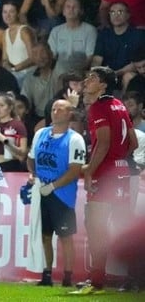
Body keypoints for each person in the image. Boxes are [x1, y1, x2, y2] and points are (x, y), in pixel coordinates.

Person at [71, 66, 138, 295]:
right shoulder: (119, 105)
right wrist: (118, 159)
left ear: (104, 85)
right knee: (122, 228)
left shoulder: (99, 106)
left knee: (96, 226)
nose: (87, 80)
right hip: (122, 172)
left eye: (93, 78)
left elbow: (104, 142)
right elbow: (133, 143)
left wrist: (90, 170)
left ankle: (96, 282)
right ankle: (133, 280)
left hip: (105, 173)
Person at [27, 99, 86, 288]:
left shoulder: (75, 139)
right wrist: (34, 175)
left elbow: (74, 170)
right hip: (42, 190)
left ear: (69, 114)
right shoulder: (40, 134)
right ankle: (47, 274)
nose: (55, 112)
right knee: (45, 234)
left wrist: (52, 186)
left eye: (60, 109)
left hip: (63, 194)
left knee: (65, 236)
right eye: (53, 108)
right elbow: (31, 159)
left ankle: (68, 276)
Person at [92, 1, 144, 78]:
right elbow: (97, 59)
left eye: (120, 12)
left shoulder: (138, 34)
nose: (116, 15)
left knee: (129, 76)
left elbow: (136, 63)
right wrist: (94, 73)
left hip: (127, 74)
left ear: (128, 15)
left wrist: (116, 73)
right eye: (112, 12)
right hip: (106, 74)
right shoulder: (104, 34)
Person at [48, 0, 97, 75]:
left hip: (81, 73)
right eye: (68, 7)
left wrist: (78, 72)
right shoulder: (56, 31)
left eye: (75, 7)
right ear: (63, 11)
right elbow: (52, 56)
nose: (71, 9)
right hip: (59, 73)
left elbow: (90, 58)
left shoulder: (90, 30)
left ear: (81, 11)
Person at [0, 91, 28, 172]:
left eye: (1, 105)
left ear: (10, 108)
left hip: (11, 165)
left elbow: (23, 152)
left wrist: (4, 140)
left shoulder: (18, 125)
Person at [21, 42, 60, 121]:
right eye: (35, 54)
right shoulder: (29, 77)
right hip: (38, 117)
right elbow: (25, 101)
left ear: (51, 53)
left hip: (59, 114)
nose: (39, 57)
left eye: (43, 52)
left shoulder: (60, 70)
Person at [1, 1, 36, 86]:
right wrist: (9, 68)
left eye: (11, 12)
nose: (7, 15)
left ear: (17, 13)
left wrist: (15, 69)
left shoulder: (24, 31)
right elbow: (5, 58)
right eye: (5, 12)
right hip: (14, 73)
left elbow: (33, 57)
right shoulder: (5, 33)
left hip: (28, 73)